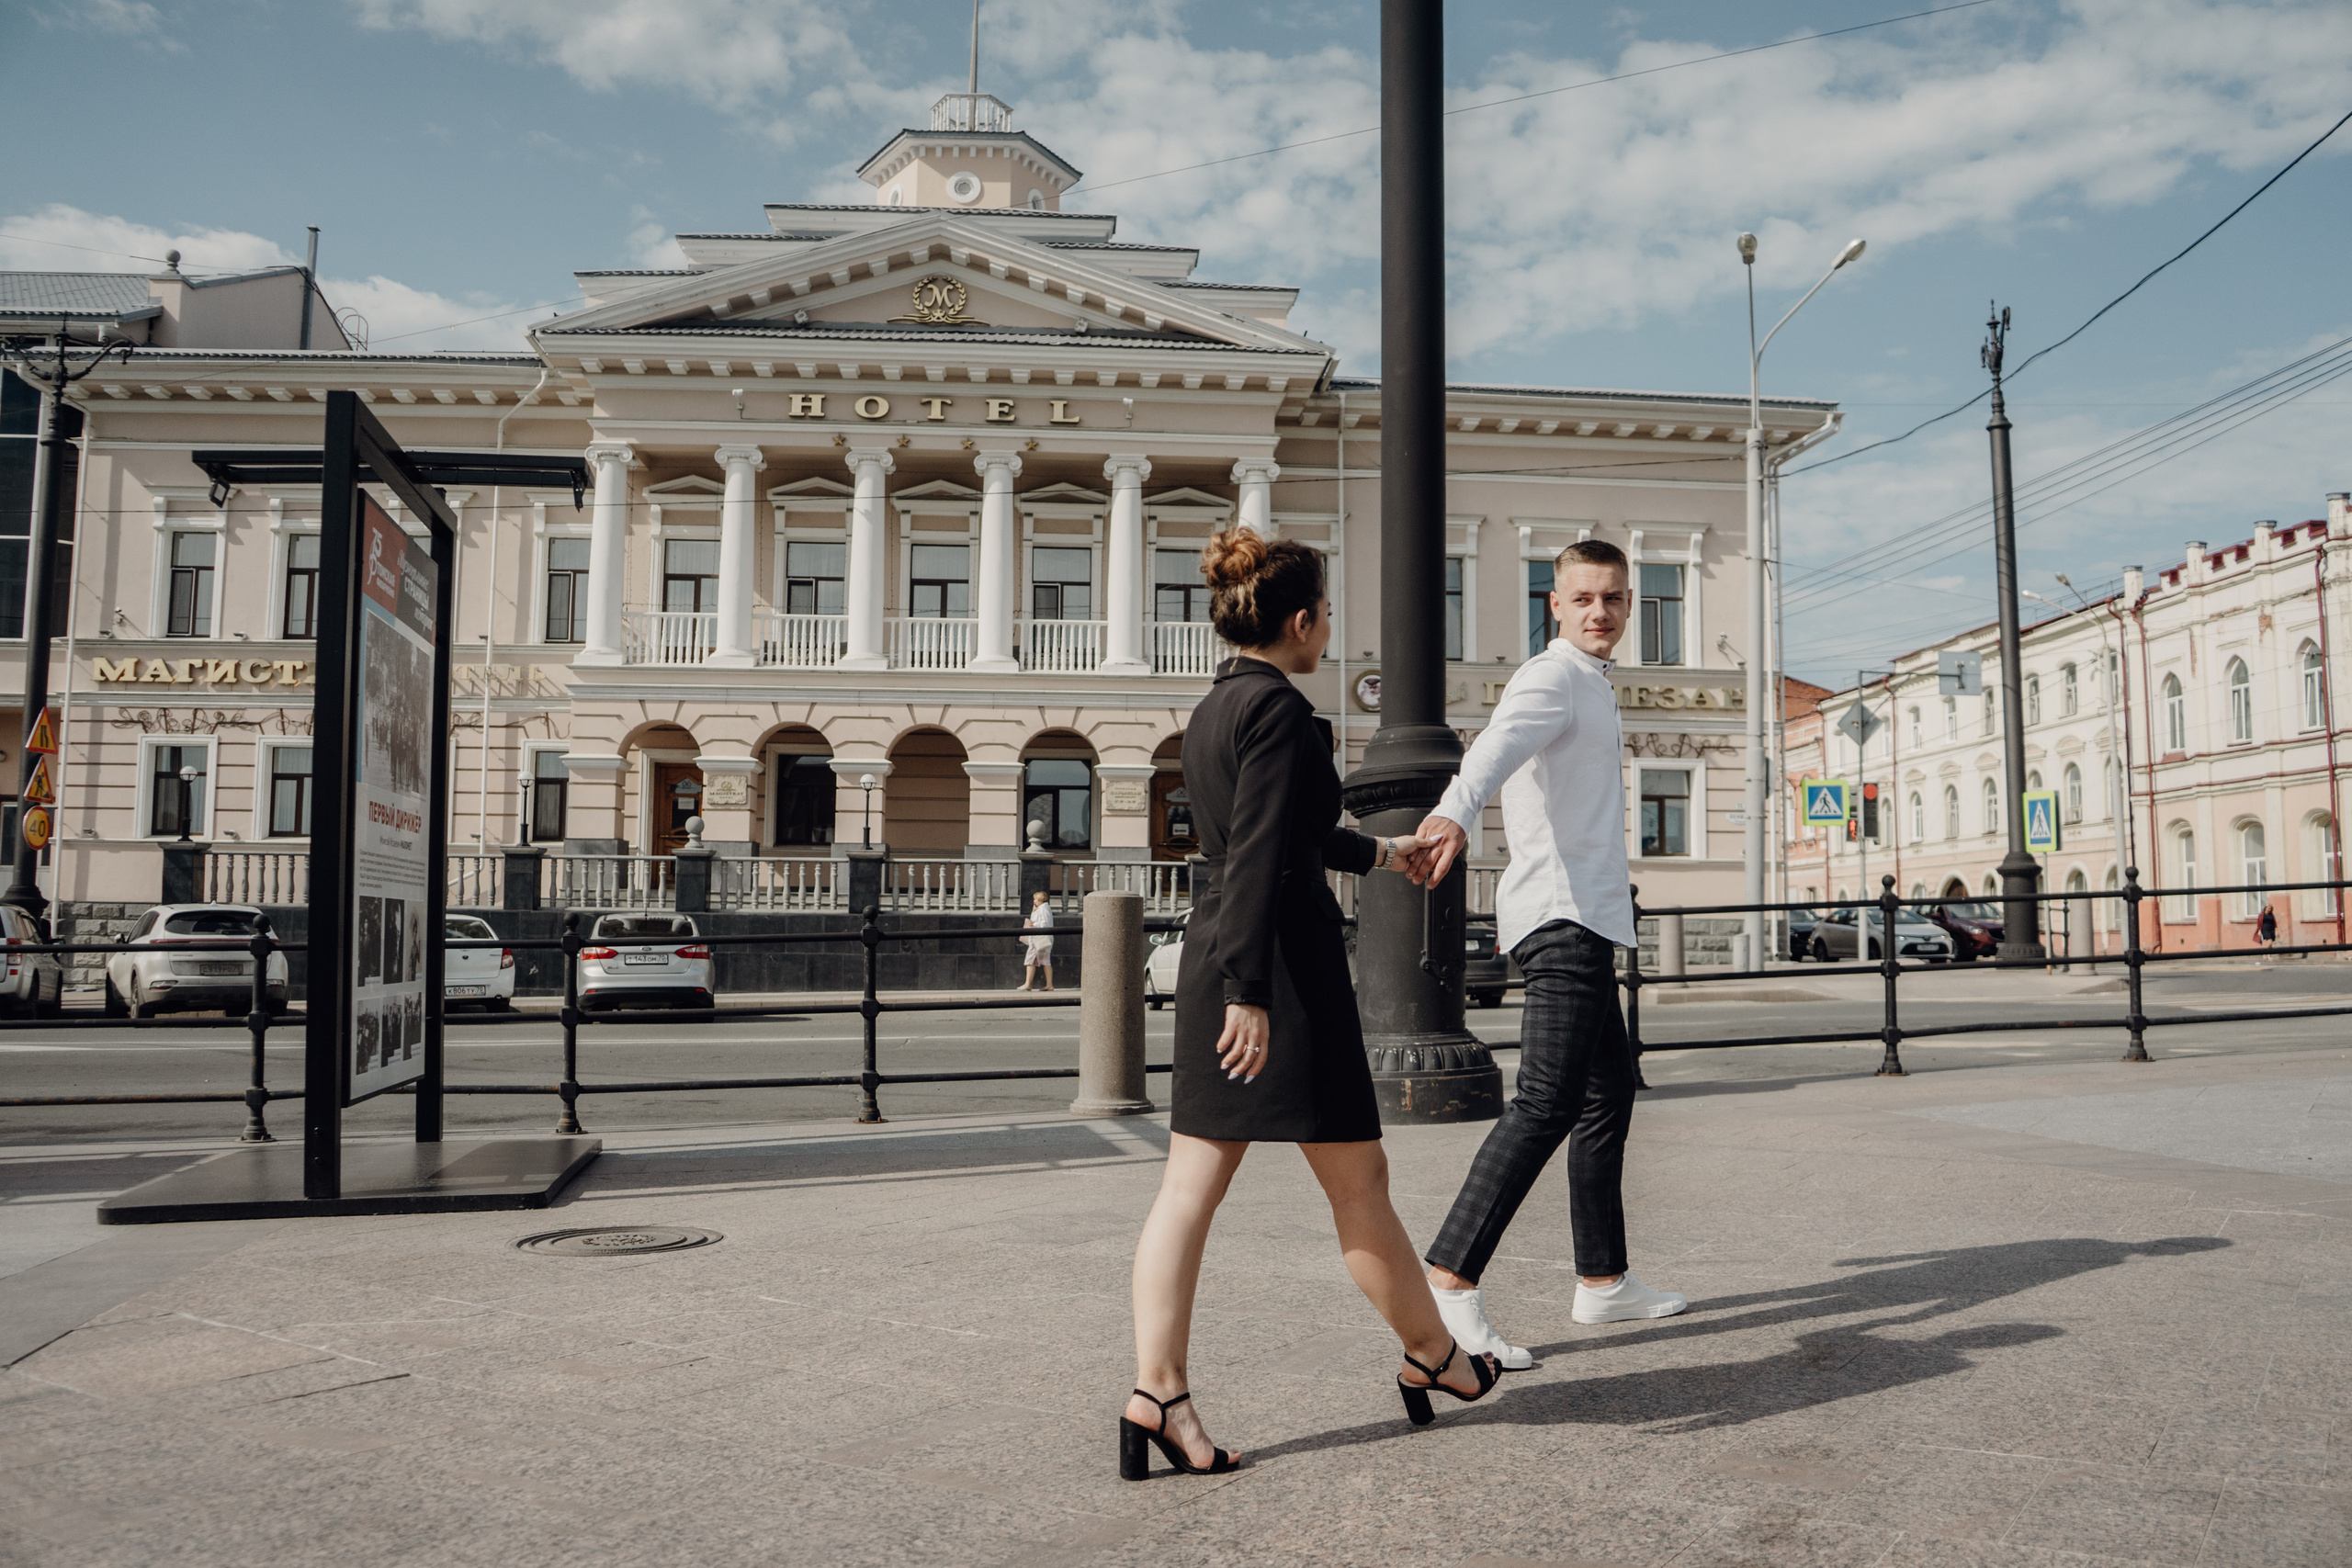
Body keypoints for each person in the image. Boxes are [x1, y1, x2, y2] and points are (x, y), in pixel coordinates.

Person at [1120, 528, 1498, 1482]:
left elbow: (1277, 835)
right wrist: (1254, 993)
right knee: (1358, 1182)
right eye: (1325, 616)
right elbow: (1260, 853)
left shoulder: (1214, 709)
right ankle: (1435, 1357)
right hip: (1275, 969)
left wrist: (1380, 853)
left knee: (1187, 1190)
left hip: (1221, 949)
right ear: (1297, 621)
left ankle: (1156, 1393)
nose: (1329, 632)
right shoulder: (1285, 713)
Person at [1408, 537, 1688, 1371]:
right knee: (1545, 1102)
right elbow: (1490, 749)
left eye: (1614, 599)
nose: (1600, 612)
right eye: (1583, 598)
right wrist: (1454, 812)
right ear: (1554, 604)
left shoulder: (1595, 687)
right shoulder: (1552, 675)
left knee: (1606, 1099)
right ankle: (1449, 1277)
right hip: (1562, 920)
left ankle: (1602, 1281)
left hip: (1592, 920)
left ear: (1628, 606)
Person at [1021, 890, 1056, 991]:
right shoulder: (1042, 908)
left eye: (1035, 899)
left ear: (1040, 899)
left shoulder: (1044, 909)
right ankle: (1048, 984)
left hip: (1039, 939)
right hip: (1039, 939)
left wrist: (1034, 925)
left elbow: (1044, 924)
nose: (1034, 901)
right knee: (1044, 961)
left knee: (1030, 960)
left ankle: (1028, 984)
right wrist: (1033, 912)